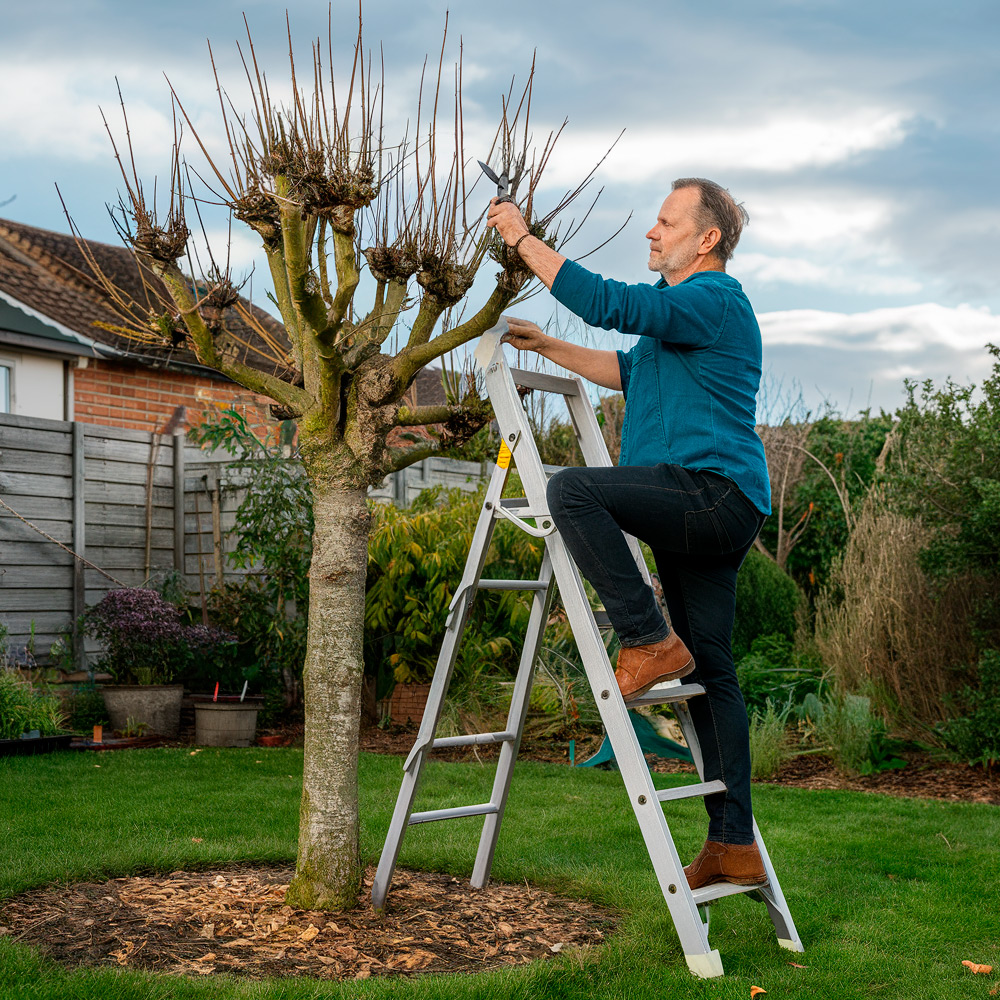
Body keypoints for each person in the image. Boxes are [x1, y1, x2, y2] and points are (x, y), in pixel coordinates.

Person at [487, 178, 770, 890]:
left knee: (573, 489)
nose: (652, 231)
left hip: (709, 490)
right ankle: (733, 843)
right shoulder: (681, 322)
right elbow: (626, 370)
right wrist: (551, 346)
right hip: (715, 504)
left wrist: (522, 241)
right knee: (711, 669)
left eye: (666, 222)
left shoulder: (712, 298)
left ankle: (645, 637)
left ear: (706, 240)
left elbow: (614, 304)